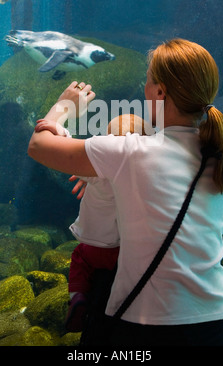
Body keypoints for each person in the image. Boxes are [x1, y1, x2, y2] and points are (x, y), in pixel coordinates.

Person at [28, 38, 223, 346]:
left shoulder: (131, 153)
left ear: (160, 92)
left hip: (148, 324)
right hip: (216, 322)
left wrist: (64, 107)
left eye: (147, 81)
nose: (144, 88)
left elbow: (39, 147)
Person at [35, 114, 149, 332]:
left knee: (79, 257)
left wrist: (60, 130)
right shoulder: (145, 172)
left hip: (97, 249)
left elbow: (69, 152)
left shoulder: (98, 169)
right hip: (131, 252)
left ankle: (76, 297)